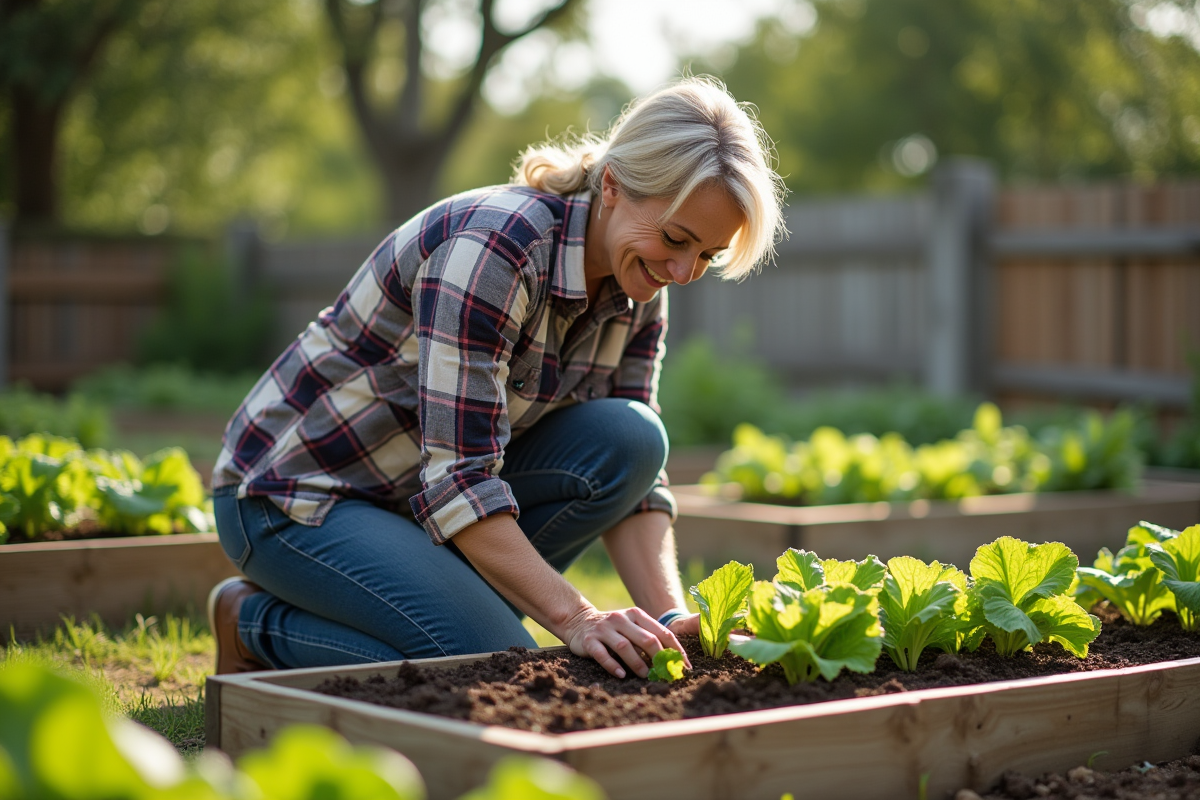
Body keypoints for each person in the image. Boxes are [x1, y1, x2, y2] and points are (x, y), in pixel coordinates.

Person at [206, 75, 786, 681]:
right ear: (612, 185)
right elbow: (459, 481)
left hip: (421, 499)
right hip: (299, 493)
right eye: (676, 239)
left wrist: (670, 618)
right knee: (489, 659)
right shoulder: (494, 251)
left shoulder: (640, 279)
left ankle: (434, 602)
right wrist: (578, 617)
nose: (684, 270)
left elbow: (635, 480)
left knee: (632, 436)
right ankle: (253, 626)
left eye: (707, 256)